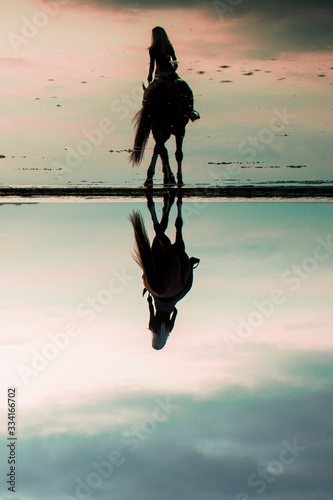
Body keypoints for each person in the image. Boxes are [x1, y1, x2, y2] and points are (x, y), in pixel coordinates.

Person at [146, 26, 200, 122]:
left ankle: (146, 110)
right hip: (170, 74)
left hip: (158, 76)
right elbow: (174, 60)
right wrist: (174, 68)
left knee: (148, 93)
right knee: (187, 90)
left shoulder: (153, 48)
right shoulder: (168, 46)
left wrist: (149, 76)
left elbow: (152, 65)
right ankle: (190, 111)